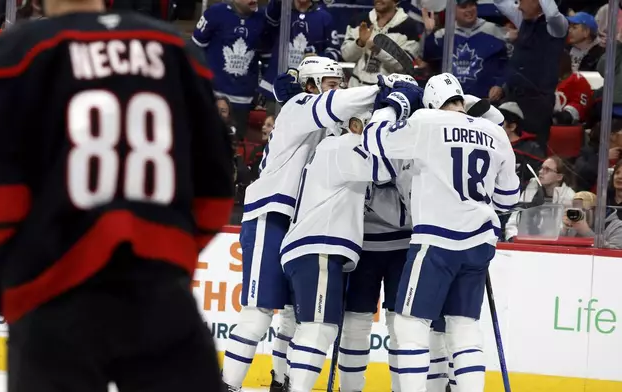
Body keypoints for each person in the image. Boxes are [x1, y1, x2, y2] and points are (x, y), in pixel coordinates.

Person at [0, 1, 234, 391]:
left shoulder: (13, 54)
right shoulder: (173, 49)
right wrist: (167, 257)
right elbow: (215, 190)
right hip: (161, 302)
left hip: (51, 302)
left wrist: (4, 278)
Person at [222, 56, 382, 392]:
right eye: (330, 82)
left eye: (338, 83)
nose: (337, 89)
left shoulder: (329, 123)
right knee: (258, 313)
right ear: (310, 85)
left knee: (295, 317)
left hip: (301, 223)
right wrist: (382, 88)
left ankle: (281, 381)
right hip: (271, 214)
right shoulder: (299, 104)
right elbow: (342, 103)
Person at [362, 73, 521, 392]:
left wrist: (392, 105)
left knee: (410, 325)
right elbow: (508, 199)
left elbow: (373, 140)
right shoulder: (495, 132)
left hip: (436, 241)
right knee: (464, 329)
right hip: (479, 243)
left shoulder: (426, 121)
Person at [278, 76, 420, 391]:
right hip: (324, 246)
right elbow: (384, 168)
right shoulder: (343, 146)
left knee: (322, 329)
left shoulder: (334, 145)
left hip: (334, 246)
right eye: (363, 120)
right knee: (322, 329)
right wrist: (393, 107)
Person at [494, 0, 568, 150]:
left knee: (533, 149)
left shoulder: (558, 26)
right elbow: (500, 2)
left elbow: (552, 14)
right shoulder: (523, 19)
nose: (519, 6)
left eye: (522, 1)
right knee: (503, 145)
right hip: (513, 96)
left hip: (537, 102)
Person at [192, 0, 268, 140]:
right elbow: (195, 48)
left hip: (243, 99)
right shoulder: (216, 13)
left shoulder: (263, 19)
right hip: (213, 93)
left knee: (235, 146)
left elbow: (266, 57)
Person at [259, 0, 340, 115]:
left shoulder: (324, 17)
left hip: (308, 92)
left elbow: (335, 52)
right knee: (275, 129)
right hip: (276, 88)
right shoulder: (280, 11)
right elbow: (269, 21)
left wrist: (318, 59)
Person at [423, 0, 508, 101]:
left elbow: (508, 64)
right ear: (452, 10)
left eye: (471, 5)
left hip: (486, 102)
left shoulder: (495, 31)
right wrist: (429, 32)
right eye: (463, 6)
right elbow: (430, 61)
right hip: (452, 102)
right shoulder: (442, 35)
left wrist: (500, 85)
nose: (469, 10)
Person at [341, 0, 421, 87]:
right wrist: (360, 43)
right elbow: (346, 56)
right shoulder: (359, 21)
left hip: (388, 92)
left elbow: (404, 64)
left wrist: (378, 49)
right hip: (355, 90)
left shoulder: (410, 26)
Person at [505, 156, 575, 240]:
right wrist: (512, 237)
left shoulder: (569, 196)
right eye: (542, 168)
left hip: (554, 246)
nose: (540, 172)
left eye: (547, 169)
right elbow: (514, 220)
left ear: (559, 177)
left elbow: (565, 232)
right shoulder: (532, 186)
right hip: (525, 243)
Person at [498, 101, 545, 185]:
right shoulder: (490, 144)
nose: (495, 126)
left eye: (500, 123)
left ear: (512, 127)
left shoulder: (531, 150)